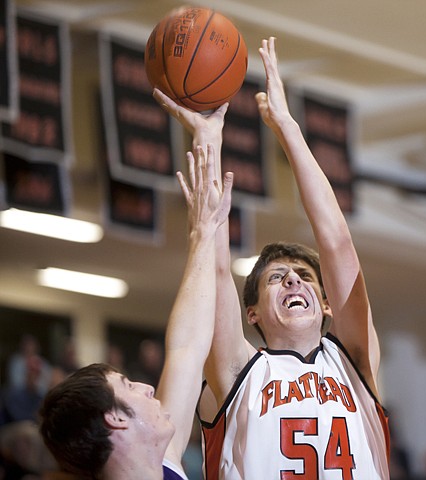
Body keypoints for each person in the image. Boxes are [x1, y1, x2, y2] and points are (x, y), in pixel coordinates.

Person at [154, 36, 390, 479]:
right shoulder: (237, 368)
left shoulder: (354, 360)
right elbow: (216, 268)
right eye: (276, 278)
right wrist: (208, 137)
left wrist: (287, 126)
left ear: (325, 304)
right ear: (253, 313)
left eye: (303, 276)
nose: (293, 282)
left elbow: (337, 242)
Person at [38, 141, 234, 479]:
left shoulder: (165, 466)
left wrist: (202, 235)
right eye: (127, 385)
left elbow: (187, 347)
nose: (146, 387)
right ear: (114, 418)